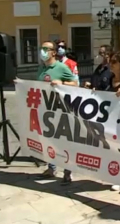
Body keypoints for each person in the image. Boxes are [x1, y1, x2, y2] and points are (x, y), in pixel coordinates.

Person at [34, 41, 79, 184]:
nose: (43, 51)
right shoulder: (41, 69)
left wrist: (62, 83)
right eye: (42, 48)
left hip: (61, 110)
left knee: (64, 141)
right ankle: (51, 168)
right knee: (48, 140)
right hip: (45, 110)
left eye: (46, 49)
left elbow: (75, 84)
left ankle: (68, 171)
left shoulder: (61, 67)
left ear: (53, 52)